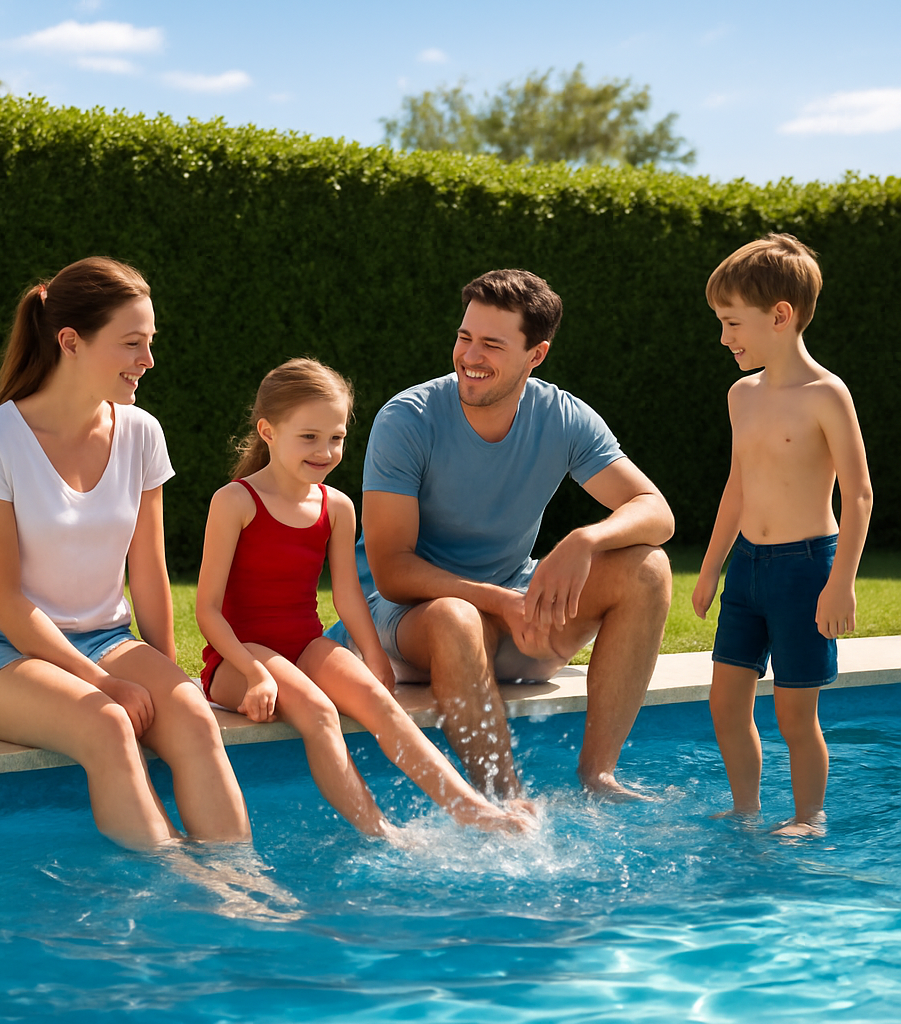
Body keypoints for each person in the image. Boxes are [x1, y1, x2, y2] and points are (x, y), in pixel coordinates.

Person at [0, 257, 251, 851]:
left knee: (191, 715)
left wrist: (165, 677)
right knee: (107, 724)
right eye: (132, 344)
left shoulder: (141, 433)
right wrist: (103, 683)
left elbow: (149, 572)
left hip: (104, 637)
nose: (148, 361)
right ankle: (174, 893)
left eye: (150, 343)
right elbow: (3, 600)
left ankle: (240, 891)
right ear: (70, 342)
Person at [327, 269, 675, 800]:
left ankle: (599, 774)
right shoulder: (408, 419)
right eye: (465, 337)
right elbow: (393, 573)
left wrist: (585, 539)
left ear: (536, 355)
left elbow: (655, 510)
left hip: (514, 620)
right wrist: (502, 602)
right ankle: (508, 805)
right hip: (412, 623)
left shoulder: (562, 415)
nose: (470, 356)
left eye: (492, 343)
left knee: (648, 568)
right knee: (455, 615)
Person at [195, 358, 533, 838]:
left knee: (380, 701)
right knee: (319, 712)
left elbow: (349, 595)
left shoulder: (335, 507)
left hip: (305, 645)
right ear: (268, 431)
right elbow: (206, 609)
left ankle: (471, 808)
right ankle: (381, 831)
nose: (325, 450)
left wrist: (374, 654)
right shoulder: (235, 501)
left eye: (335, 437)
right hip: (238, 659)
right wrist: (252, 673)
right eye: (308, 437)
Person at [692, 233, 873, 837]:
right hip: (747, 567)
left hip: (805, 570)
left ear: (780, 316)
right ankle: (746, 809)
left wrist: (841, 582)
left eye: (732, 323)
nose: (724, 339)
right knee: (725, 703)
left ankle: (807, 817)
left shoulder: (827, 395)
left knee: (795, 713)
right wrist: (714, 566)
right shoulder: (740, 395)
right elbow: (736, 488)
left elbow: (860, 493)